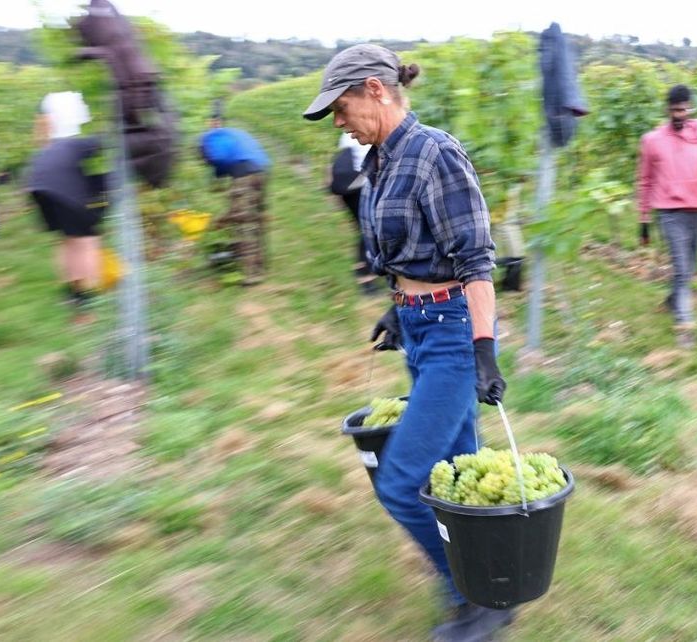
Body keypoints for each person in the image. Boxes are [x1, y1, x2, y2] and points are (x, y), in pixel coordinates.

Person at [304, 44, 510, 642]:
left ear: (374, 89)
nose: (337, 123)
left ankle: (477, 595)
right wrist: (399, 310)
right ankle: (488, 586)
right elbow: (410, 251)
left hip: (451, 333)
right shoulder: (381, 161)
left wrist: (482, 347)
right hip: (419, 326)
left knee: (402, 481)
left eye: (340, 109)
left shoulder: (434, 155)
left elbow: (474, 262)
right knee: (452, 471)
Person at [636, 84, 697, 349]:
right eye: (675, 110)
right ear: (668, 110)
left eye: (684, 109)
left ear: (690, 108)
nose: (680, 114)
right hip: (669, 213)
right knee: (682, 270)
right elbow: (645, 180)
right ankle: (685, 324)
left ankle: (673, 301)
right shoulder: (653, 140)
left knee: (690, 268)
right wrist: (644, 219)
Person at [26, 91, 108, 314]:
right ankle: (90, 302)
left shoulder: (51, 147)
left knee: (68, 240)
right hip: (60, 190)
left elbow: (79, 177)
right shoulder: (75, 144)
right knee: (88, 241)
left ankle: (72, 296)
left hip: (38, 188)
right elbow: (108, 141)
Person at [199, 113, 271, 286]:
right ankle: (259, 264)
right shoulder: (232, 133)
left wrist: (215, 171)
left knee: (243, 223)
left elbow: (217, 158)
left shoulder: (208, 139)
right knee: (255, 218)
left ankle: (252, 274)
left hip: (244, 172)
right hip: (262, 170)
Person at [329, 131, 379, 293]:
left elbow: (338, 161)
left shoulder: (347, 134)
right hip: (358, 186)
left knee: (365, 229)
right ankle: (366, 279)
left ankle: (369, 269)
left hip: (343, 187)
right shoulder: (372, 134)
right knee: (369, 230)